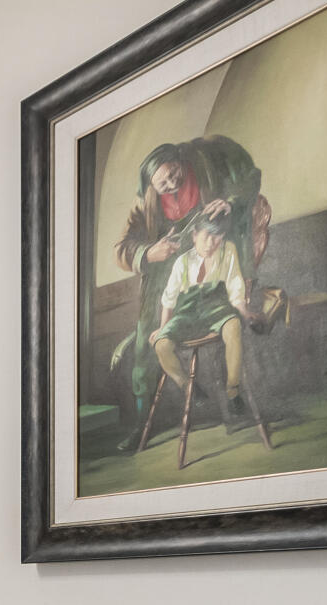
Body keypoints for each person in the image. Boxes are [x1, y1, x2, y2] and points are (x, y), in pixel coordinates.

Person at [114, 136, 267, 411]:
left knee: (230, 326)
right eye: (163, 184)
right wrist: (149, 253)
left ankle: (234, 392)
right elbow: (163, 292)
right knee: (149, 343)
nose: (173, 184)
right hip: (175, 295)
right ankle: (165, 402)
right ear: (152, 186)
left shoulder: (207, 163)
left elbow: (249, 175)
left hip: (215, 293)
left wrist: (231, 202)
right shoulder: (147, 208)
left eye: (175, 174)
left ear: (178, 160)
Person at [150, 215, 256, 416]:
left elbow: (235, 286)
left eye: (218, 238)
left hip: (218, 309)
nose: (211, 244)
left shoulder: (228, 251)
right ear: (194, 235)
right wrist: (163, 327)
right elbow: (169, 299)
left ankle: (233, 390)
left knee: (233, 325)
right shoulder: (182, 262)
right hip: (188, 314)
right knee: (161, 344)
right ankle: (189, 388)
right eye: (207, 236)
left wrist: (244, 312)